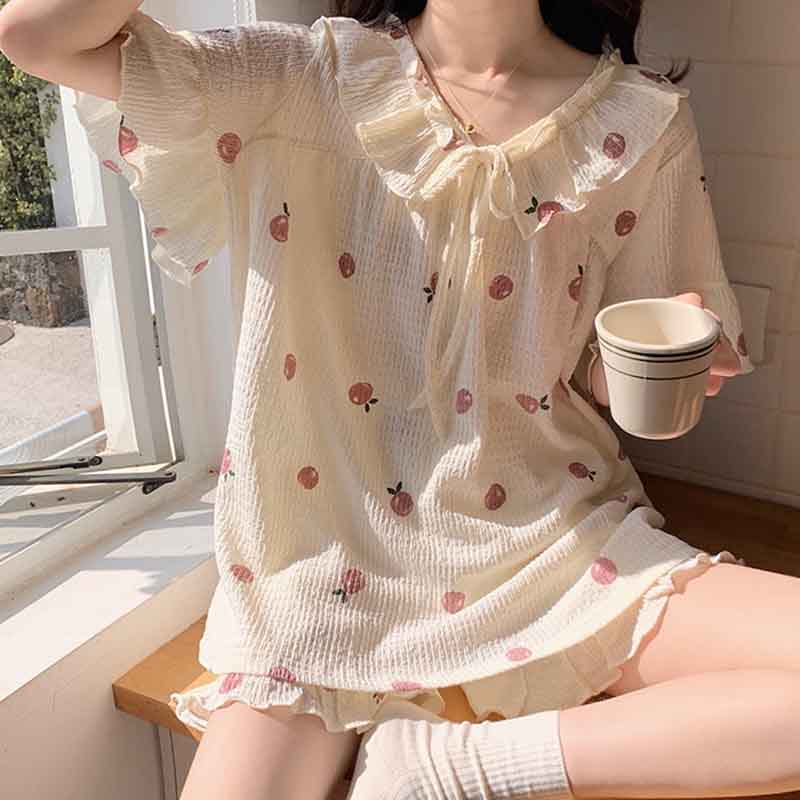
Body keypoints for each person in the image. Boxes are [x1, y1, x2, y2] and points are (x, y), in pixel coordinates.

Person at [5, 1, 800, 799]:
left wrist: (661, 367)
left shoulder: (639, 121)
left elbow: (602, 371)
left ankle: (448, 767)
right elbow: (31, 34)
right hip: (322, 571)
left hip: (554, 547)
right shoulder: (300, 76)